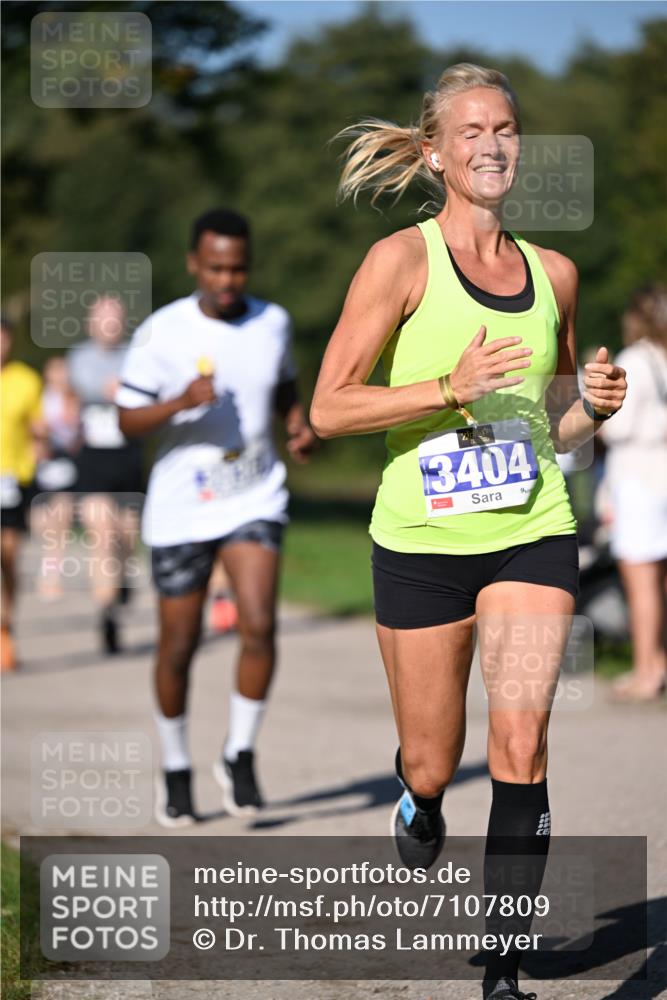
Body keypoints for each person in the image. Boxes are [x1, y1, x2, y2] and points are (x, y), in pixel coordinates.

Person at [310, 64, 627, 1000]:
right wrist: (446, 387)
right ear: (437, 152)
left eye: (507, 128)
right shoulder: (399, 263)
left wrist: (592, 409)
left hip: (532, 528)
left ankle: (502, 966)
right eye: (473, 130)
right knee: (432, 755)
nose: (493, 144)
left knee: (522, 743)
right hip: (421, 543)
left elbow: (551, 420)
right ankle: (419, 798)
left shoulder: (553, 274)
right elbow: (329, 407)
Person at [116, 208, 315, 827]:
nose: (228, 279)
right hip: (181, 508)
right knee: (178, 645)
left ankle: (239, 753)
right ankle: (176, 766)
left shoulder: (272, 321)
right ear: (194, 264)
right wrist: (180, 403)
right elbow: (126, 419)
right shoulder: (160, 333)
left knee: (258, 624)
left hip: (255, 495)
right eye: (216, 267)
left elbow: (283, 383)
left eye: (238, 268)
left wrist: (296, 422)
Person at [599, 284, 667, 701]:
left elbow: (619, 427)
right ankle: (660, 662)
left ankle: (646, 671)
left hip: (639, 481)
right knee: (661, 580)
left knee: (641, 582)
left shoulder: (634, 360)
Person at [67, 296, 144, 654]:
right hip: (94, 459)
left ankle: (122, 582)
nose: (109, 325)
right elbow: (90, 387)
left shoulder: (135, 354)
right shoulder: (80, 357)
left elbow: (143, 391)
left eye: (115, 318)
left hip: (127, 458)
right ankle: (107, 611)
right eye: (103, 318)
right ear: (91, 323)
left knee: (126, 539)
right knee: (102, 535)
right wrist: (118, 390)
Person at [0, 318, 45, 671]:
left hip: (12, 478)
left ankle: (6, 622)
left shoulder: (26, 381)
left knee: (9, 556)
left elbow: (39, 428)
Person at [31, 356, 81, 600]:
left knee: (59, 525)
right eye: (56, 371)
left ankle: (51, 575)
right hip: (41, 465)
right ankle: (46, 565)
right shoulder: (39, 399)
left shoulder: (74, 399)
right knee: (41, 524)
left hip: (65, 464)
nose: (61, 376)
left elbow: (80, 434)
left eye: (64, 371)